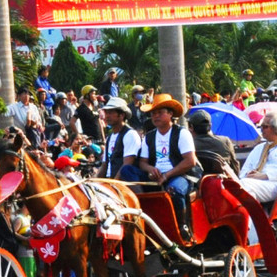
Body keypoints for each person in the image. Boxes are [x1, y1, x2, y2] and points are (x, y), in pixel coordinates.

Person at [122, 94, 198, 239]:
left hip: (179, 175)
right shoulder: (149, 136)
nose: (155, 116)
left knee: (174, 190)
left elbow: (190, 161)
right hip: (156, 177)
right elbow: (142, 162)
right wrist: (150, 170)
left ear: (170, 114)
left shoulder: (182, 133)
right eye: (153, 113)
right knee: (127, 170)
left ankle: (182, 226)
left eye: (159, 113)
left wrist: (167, 175)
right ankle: (144, 210)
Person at [238, 110, 277, 203]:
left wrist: (265, 176)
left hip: (273, 183)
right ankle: (251, 217)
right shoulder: (258, 148)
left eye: (265, 126)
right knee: (235, 187)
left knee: (245, 185)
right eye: (261, 126)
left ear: (275, 129)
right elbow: (244, 169)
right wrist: (249, 174)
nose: (261, 129)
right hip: (252, 183)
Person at [98, 97, 141, 179]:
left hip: (121, 183)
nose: (107, 116)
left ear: (122, 115)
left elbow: (127, 164)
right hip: (109, 180)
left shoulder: (130, 134)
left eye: (110, 112)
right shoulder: (110, 137)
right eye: (106, 112)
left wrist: (113, 185)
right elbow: (104, 165)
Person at [187, 110, 239, 176]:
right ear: (210, 125)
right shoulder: (225, 141)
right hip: (223, 182)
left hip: (197, 183)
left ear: (191, 127)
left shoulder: (188, 145)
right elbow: (235, 167)